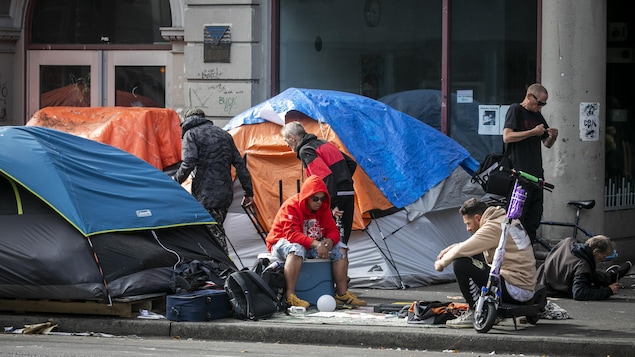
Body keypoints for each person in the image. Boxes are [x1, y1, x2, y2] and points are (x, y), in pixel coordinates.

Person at [265, 174, 366, 309]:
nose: (319, 202)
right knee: (297, 249)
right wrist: (318, 244)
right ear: (307, 197)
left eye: (322, 198)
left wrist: (329, 241)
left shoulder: (323, 208)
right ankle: (290, 296)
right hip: (280, 242)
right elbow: (292, 234)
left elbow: (333, 230)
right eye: (315, 199)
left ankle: (342, 295)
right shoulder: (291, 206)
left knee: (341, 248)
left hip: (309, 244)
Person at [434, 198, 537, 328]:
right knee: (473, 254)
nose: (467, 228)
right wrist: (452, 247)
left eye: (468, 223)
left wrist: (441, 264)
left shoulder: (492, 227)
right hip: (524, 285)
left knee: (461, 263)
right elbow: (470, 245)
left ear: (477, 218)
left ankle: (476, 311)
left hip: (514, 289)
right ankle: (483, 307)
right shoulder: (503, 220)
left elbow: (462, 250)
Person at [173, 108, 254, 254]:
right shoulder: (224, 134)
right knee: (213, 230)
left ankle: (224, 267)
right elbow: (240, 164)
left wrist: (174, 182)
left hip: (206, 193)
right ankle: (216, 266)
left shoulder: (191, 134)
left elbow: (188, 163)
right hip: (225, 193)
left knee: (214, 233)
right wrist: (248, 191)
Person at [281, 120, 357, 246]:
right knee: (342, 239)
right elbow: (351, 163)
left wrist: (333, 204)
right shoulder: (325, 143)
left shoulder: (306, 150)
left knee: (330, 239)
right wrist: (343, 179)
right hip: (347, 192)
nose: (286, 144)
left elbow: (324, 176)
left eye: (285, 140)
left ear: (292, 138)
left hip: (333, 195)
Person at [503, 83, 559, 243]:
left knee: (533, 221)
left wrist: (553, 136)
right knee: (516, 220)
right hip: (519, 174)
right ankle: (514, 257)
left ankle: (529, 256)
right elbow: (507, 136)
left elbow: (546, 143)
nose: (540, 107)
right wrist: (533, 132)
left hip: (536, 176)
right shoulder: (516, 110)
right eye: (539, 103)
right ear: (529, 96)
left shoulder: (537, 115)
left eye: (544, 104)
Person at [537, 235, 632, 301]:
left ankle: (609, 277)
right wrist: (608, 291)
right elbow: (580, 294)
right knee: (588, 275)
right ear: (596, 252)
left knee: (591, 273)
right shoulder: (582, 266)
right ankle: (608, 278)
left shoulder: (569, 242)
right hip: (553, 288)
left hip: (541, 278)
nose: (604, 259)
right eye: (604, 255)